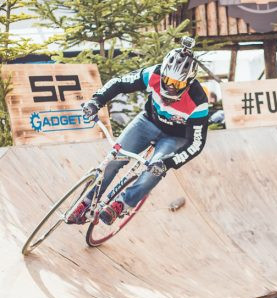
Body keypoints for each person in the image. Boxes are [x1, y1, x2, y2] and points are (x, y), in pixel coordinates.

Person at [68, 37, 208, 225]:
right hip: (148, 121)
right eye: (168, 80)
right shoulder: (153, 74)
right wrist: (96, 101)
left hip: (175, 138)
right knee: (114, 159)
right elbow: (119, 83)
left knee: (154, 169)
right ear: (163, 73)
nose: (171, 87)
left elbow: (196, 143)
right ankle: (86, 202)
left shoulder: (198, 101)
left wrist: (169, 163)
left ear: (189, 82)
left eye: (179, 84)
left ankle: (123, 204)